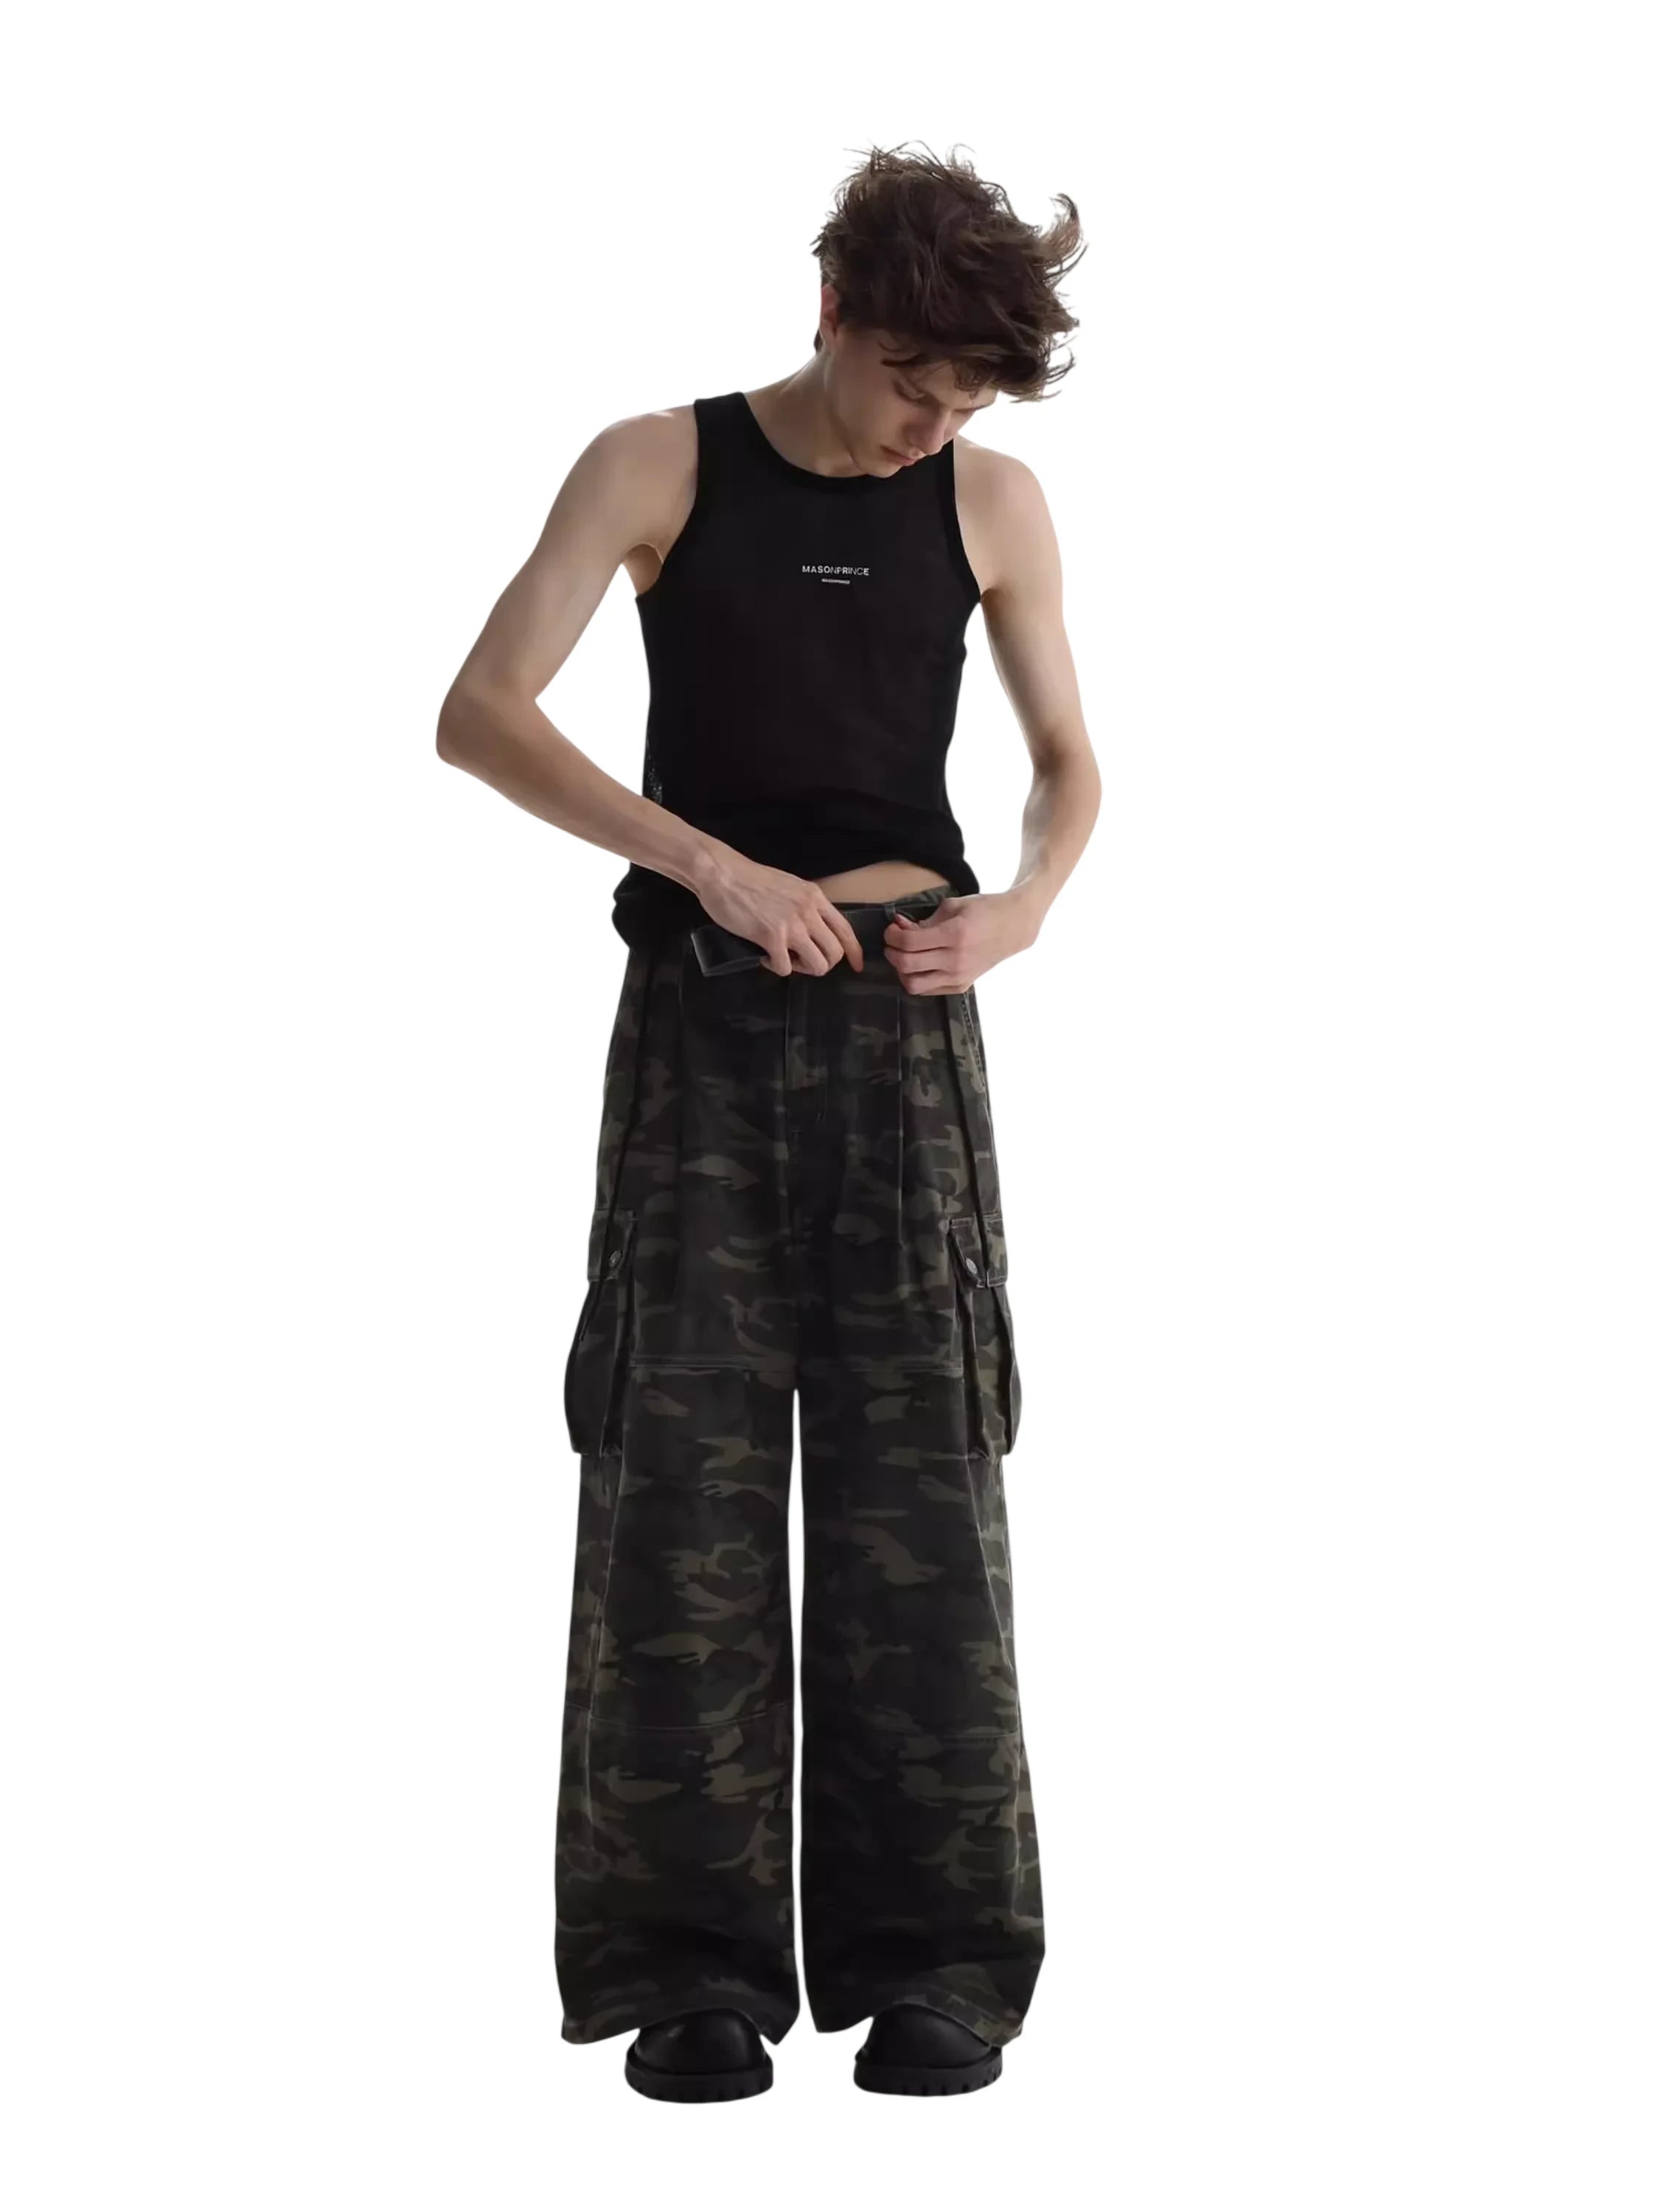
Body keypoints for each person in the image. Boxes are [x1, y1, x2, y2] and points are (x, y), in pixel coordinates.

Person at [437, 142, 1099, 2101]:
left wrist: (1026, 907)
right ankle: (688, 1970)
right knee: (676, 1492)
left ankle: (939, 1966)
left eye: (966, 397)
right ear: (833, 312)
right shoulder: (658, 462)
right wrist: (706, 866)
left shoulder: (991, 500)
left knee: (926, 1501)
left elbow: (1069, 761)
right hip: (704, 1036)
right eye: (913, 379)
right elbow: (481, 709)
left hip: (909, 1036)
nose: (930, 424)